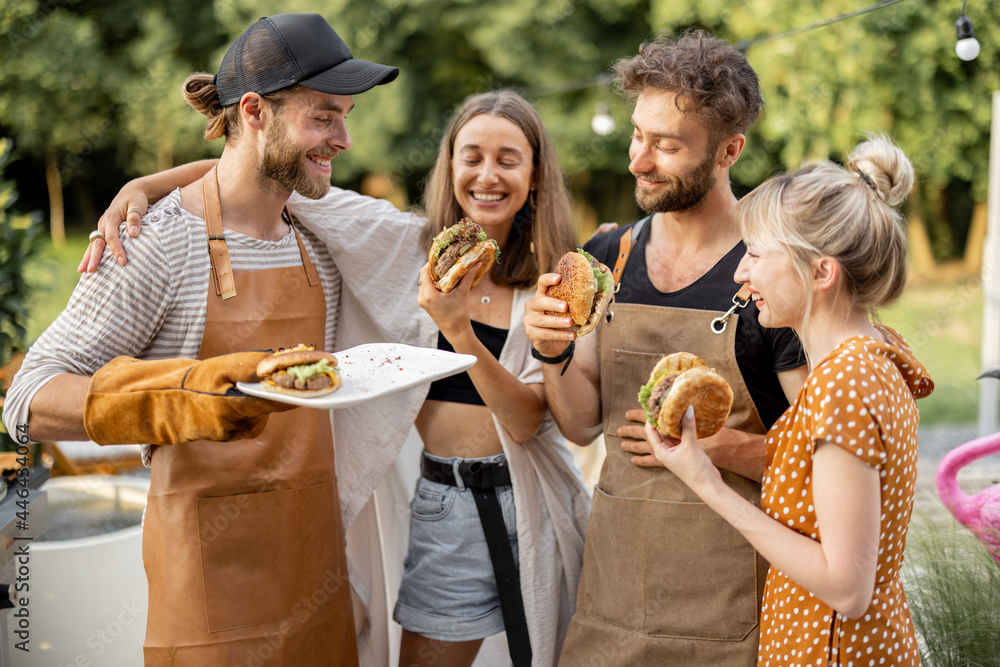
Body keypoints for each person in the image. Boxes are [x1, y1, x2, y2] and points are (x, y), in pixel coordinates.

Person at [80, 90, 591, 667]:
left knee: (552, 650)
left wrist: (460, 331)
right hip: (447, 502)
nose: (487, 175)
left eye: (508, 159)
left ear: (537, 175)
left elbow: (528, 422)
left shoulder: (551, 283)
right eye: (471, 156)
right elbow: (256, 172)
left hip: (537, 500)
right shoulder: (400, 242)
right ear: (449, 167)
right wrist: (146, 188)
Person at [2, 13, 398, 666]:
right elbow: (27, 394)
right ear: (254, 111)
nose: (345, 139)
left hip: (318, 589)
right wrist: (182, 394)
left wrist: (154, 177)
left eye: (346, 115)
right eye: (325, 116)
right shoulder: (158, 244)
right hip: (210, 608)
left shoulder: (324, 231)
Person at [523, 31, 807, 665]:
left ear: (729, 150)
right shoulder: (607, 259)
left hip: (735, 614)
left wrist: (725, 447)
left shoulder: (772, 277)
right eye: (637, 135)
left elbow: (824, 464)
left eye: (667, 145)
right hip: (614, 603)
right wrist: (551, 353)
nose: (638, 161)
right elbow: (579, 424)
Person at [646, 136, 933, 665]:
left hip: (833, 652)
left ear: (821, 272)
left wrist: (704, 482)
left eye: (754, 254)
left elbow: (846, 588)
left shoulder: (844, 382)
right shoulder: (873, 354)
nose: (740, 274)